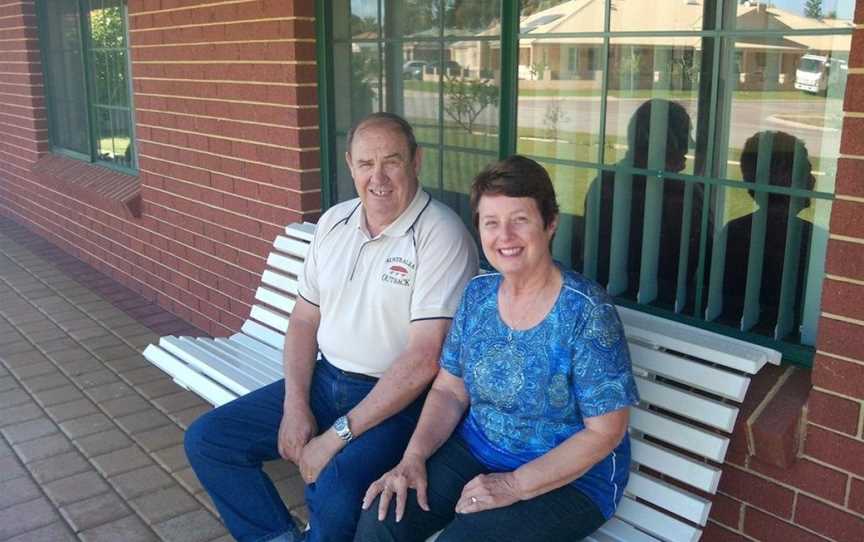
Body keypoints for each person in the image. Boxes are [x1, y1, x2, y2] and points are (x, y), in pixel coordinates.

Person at [184, 112, 479, 542]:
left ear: (416, 162)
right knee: (209, 442)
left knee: (336, 486)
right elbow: (305, 319)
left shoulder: (440, 236)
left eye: (391, 161)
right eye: (365, 164)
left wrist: (335, 436)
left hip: (397, 401)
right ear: (350, 165)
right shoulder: (335, 222)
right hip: (327, 380)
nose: (378, 177)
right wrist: (294, 404)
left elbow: (422, 360)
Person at [354, 156, 640, 542]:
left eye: (519, 220)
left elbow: (605, 433)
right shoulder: (478, 294)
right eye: (491, 223)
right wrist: (413, 458)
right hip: (479, 449)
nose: (504, 236)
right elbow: (449, 389)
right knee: (383, 516)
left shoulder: (587, 313)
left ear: (550, 223)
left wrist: (514, 485)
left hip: (572, 479)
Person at [579, 98, 709, 308]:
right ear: (664, 141)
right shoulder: (681, 194)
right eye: (685, 136)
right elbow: (702, 262)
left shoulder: (604, 183)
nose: (689, 146)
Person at [721, 131, 815, 329]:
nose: (813, 180)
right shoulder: (815, 242)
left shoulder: (734, 232)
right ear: (787, 179)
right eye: (807, 171)